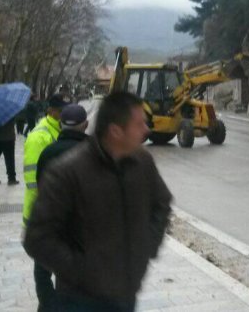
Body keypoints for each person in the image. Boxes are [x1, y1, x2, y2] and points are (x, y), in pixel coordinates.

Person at [24, 91, 172, 312]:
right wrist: (80, 271)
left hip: (125, 295)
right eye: (139, 124)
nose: (146, 129)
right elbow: (37, 237)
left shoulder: (142, 163)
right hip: (79, 301)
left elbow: (162, 203)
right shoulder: (68, 171)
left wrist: (145, 247)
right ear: (116, 131)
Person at [22, 93, 71, 312]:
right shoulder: (39, 136)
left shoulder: (58, 132)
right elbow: (33, 181)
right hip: (41, 212)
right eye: (61, 111)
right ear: (51, 111)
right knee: (42, 269)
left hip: (58, 213)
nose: (64, 114)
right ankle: (48, 307)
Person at [36, 104, 90, 183]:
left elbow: (40, 182)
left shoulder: (47, 153)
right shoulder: (94, 152)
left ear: (60, 125)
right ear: (86, 125)